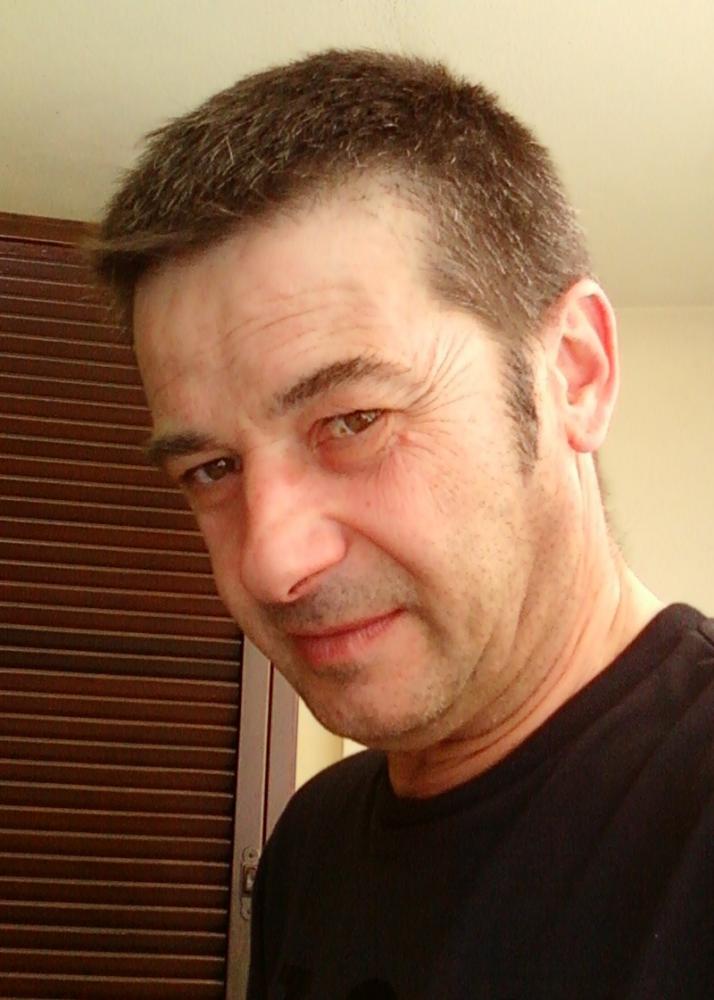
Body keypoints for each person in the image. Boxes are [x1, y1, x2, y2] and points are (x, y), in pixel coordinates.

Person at [93, 50, 714, 999]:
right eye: (211, 469)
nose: (270, 562)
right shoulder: (309, 847)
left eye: (354, 421)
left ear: (574, 374)